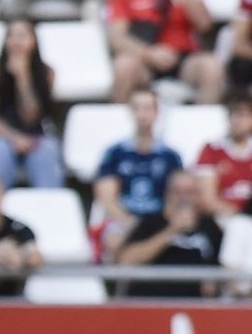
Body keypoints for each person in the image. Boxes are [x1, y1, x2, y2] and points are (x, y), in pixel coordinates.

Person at [0, 18, 63, 190]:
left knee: (47, 151)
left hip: (33, 135)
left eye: (22, 36)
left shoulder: (47, 73)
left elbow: (31, 117)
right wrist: (14, 138)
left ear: (34, 40)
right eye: (11, 36)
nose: (16, 41)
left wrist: (23, 79)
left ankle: (49, 208)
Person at [93, 88, 181, 249]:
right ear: (130, 112)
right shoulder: (115, 153)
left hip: (159, 219)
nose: (142, 114)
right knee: (114, 239)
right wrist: (127, 221)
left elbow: (176, 197)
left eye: (147, 108)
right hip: (123, 218)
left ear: (157, 112)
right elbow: (106, 197)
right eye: (137, 108)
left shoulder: (170, 156)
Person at [116, 171, 224, 298]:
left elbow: (220, 269)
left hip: (194, 306)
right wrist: (172, 230)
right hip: (150, 301)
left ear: (198, 196)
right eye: (177, 192)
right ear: (167, 194)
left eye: (189, 192)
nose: (183, 198)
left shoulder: (210, 227)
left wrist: (212, 283)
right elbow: (126, 261)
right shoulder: (152, 222)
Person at [195, 96, 252, 217]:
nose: (240, 121)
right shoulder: (211, 150)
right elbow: (207, 199)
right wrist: (240, 216)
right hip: (222, 217)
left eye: (246, 116)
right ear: (228, 117)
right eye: (236, 115)